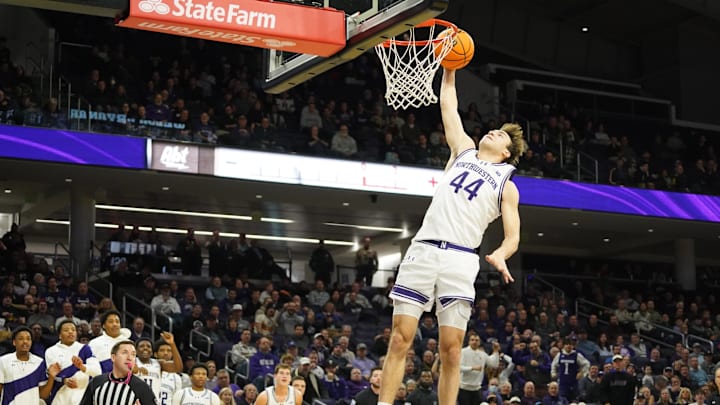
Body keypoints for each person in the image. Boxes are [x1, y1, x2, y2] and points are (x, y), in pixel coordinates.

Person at [377, 67, 525, 405]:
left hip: (460, 258)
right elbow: (448, 108)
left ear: (506, 153)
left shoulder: (508, 185)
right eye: (493, 130)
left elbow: (513, 236)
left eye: (500, 136)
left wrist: (501, 254)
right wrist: (449, 72)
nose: (492, 133)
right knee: (400, 339)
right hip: (424, 250)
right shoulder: (464, 150)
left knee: (452, 351)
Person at [79, 340, 157, 405]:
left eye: (133, 354)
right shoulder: (96, 382)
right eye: (125, 353)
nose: (129, 358)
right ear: (113, 357)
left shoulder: (141, 387)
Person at [45, 320, 102, 405]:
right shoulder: (51, 351)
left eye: (73, 329)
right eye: (66, 330)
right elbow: (51, 375)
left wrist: (82, 367)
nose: (70, 332)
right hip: (60, 395)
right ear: (60, 335)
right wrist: (64, 380)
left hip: (82, 394)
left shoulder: (85, 349)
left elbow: (98, 372)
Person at [0, 326, 61, 405]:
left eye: (28, 339)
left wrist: (51, 377)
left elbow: (43, 395)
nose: (25, 341)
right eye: (21, 339)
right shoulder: (3, 361)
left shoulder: (39, 362)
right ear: (14, 342)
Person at [135, 333, 183, 401]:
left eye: (148, 346)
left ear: (152, 352)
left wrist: (172, 344)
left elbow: (178, 367)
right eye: (142, 346)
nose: (145, 348)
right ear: (136, 351)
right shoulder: (132, 362)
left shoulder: (159, 363)